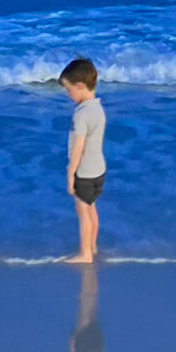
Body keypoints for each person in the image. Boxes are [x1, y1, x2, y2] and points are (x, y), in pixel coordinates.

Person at [60, 58, 106, 264]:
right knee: (92, 209)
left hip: (85, 173)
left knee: (83, 214)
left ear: (80, 86)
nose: (68, 95)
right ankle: (93, 246)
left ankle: (85, 253)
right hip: (99, 171)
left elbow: (78, 149)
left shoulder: (81, 115)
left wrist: (71, 175)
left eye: (69, 90)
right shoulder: (98, 109)